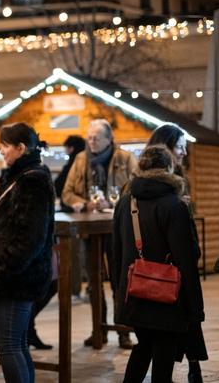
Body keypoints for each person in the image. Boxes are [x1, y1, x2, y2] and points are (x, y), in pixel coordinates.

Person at [112, 145, 204, 383]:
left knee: (144, 346)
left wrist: (118, 293)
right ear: (170, 168)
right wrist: (195, 307)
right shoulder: (174, 205)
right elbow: (186, 259)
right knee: (163, 355)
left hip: (134, 292)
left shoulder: (125, 202)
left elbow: (116, 253)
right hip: (168, 297)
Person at [0, 123, 55, 383]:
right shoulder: (24, 176)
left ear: (21, 148)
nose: (1, 151)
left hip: (15, 278)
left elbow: (31, 236)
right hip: (15, 276)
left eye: (5, 146)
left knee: (8, 343)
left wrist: (4, 266)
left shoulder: (31, 180)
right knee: (16, 343)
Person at [62, 118, 137, 349]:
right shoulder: (81, 159)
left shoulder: (125, 158)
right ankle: (99, 330)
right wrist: (85, 204)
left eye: (96, 138)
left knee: (119, 279)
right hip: (90, 229)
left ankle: (123, 331)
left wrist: (115, 203)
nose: (91, 141)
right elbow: (67, 193)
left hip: (118, 228)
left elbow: (136, 188)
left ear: (108, 139)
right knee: (94, 281)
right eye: (89, 137)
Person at [146, 124, 207, 382]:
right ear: (166, 147)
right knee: (174, 319)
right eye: (180, 147)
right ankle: (185, 369)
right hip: (159, 262)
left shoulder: (180, 177)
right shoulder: (147, 182)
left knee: (188, 314)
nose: (184, 152)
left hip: (181, 253)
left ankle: (194, 366)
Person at [53, 135, 86, 207]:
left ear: (71, 148)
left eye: (66, 148)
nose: (66, 151)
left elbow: (59, 185)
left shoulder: (72, 164)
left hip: (73, 202)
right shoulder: (86, 161)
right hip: (81, 202)